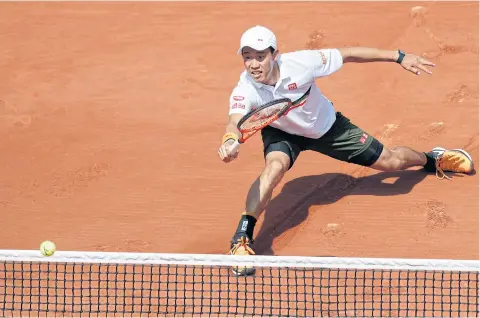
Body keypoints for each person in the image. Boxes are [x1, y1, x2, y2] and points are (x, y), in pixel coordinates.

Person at [217, 25, 474, 276]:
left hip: (327, 128)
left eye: (260, 57)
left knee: (392, 162)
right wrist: (230, 140)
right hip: (283, 132)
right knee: (274, 167)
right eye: (247, 57)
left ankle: (431, 158)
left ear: (274, 54)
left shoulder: (302, 64)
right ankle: (242, 237)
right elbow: (235, 120)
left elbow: (348, 53)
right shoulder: (245, 88)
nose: (253, 64)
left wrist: (399, 57)